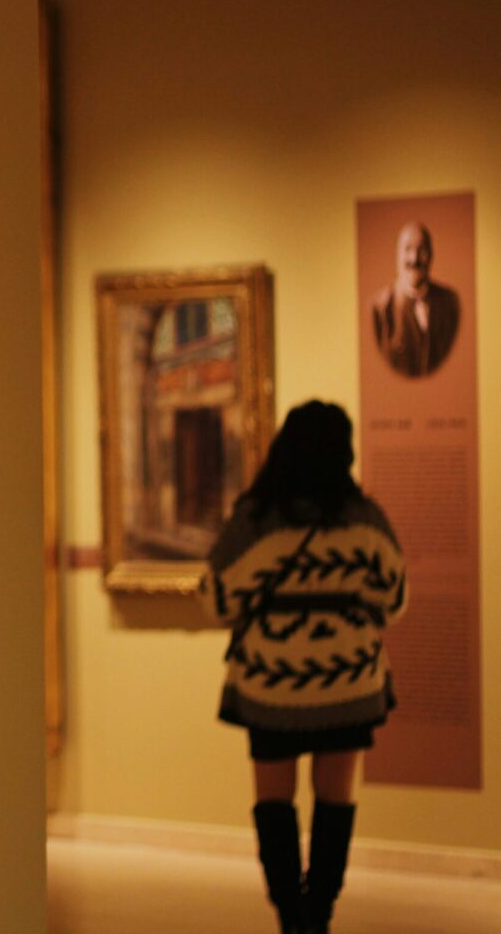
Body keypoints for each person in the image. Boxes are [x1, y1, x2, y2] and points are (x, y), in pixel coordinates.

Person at [201, 400, 407, 933]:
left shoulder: (254, 518)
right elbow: (394, 599)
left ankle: (290, 917)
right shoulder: (365, 519)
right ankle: (320, 915)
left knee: (274, 804)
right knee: (335, 802)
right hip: (349, 679)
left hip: (272, 682)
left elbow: (218, 600)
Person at [369, 220, 460, 378]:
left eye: (421, 250)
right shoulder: (379, 308)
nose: (414, 259)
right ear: (397, 255)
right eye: (408, 249)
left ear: (431, 255)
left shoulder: (451, 302)